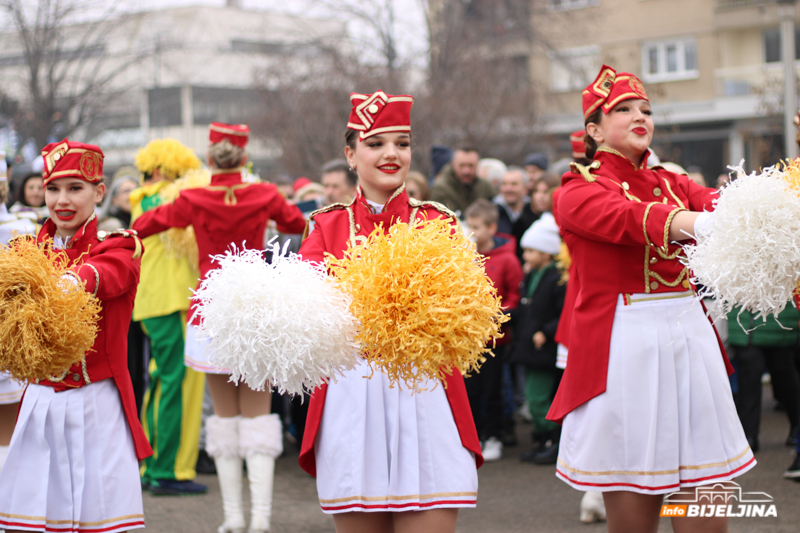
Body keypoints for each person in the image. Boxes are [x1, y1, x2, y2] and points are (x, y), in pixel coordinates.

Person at [547, 65, 754, 533]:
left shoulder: (673, 182)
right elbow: (626, 218)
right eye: (623, 109)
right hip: (627, 345)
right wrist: (698, 224)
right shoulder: (576, 189)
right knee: (636, 515)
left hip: (691, 338)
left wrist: (771, 201)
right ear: (594, 129)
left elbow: (725, 202)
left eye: (646, 109)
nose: (641, 116)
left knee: (705, 500)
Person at [298, 91, 483, 533]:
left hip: (425, 395)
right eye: (375, 142)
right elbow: (306, 312)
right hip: (350, 399)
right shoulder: (325, 226)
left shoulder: (437, 223)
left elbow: (464, 313)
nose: (391, 153)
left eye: (402, 143)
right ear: (350, 154)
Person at [133, 123, 306, 533]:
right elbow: (297, 223)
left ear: (209, 158)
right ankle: (261, 517)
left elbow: (145, 225)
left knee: (224, 418)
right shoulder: (264, 193)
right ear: (245, 159)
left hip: (210, 306)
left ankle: (232, 518)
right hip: (255, 305)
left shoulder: (192, 196)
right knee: (259, 417)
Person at [0, 140, 150, 533]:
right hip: (38, 406)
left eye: (75, 188)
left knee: (99, 521)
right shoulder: (24, 252)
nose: (62, 200)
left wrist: (67, 282)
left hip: (96, 406)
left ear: (99, 192)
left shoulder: (119, 246)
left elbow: (108, 274)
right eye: (53, 188)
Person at [130, 138, 209, 496]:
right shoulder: (153, 197)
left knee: (174, 381)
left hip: (172, 301)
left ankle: (165, 467)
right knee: (172, 381)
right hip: (167, 301)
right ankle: (165, 469)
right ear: (161, 170)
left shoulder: (157, 197)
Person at [464, 199, 523, 462]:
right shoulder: (464, 257)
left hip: (494, 340)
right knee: (471, 390)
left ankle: (494, 435)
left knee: (494, 389)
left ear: (491, 227)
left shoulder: (508, 259)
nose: (471, 232)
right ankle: (473, 435)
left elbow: (515, 295)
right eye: (469, 225)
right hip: (467, 339)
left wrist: (499, 315)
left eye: (476, 227)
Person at [511, 215, 565, 465]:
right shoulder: (532, 276)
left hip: (543, 348)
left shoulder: (555, 279)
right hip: (530, 346)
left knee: (539, 397)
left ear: (546, 253)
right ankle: (541, 439)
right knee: (534, 397)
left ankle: (552, 440)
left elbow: (561, 311)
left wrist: (547, 330)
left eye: (531, 250)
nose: (526, 256)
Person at [0, 154, 36, 472]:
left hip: (10, 339)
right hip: (11, 336)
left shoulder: (22, 228)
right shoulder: (23, 228)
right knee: (8, 434)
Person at [727, 305, 800, 452]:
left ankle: (796, 426)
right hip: (746, 326)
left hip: (779, 322)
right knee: (748, 379)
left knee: (784, 376)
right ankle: (749, 435)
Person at [430, 145, 495, 216]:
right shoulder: (441, 188)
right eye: (462, 165)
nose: (466, 171)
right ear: (453, 164)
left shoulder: (486, 187)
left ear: (477, 165)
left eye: (471, 165)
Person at [494, 167, 538, 260]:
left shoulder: (534, 212)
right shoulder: (492, 212)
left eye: (514, 184)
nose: (508, 188)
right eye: (505, 184)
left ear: (525, 189)